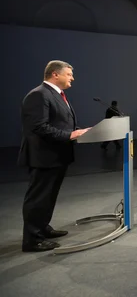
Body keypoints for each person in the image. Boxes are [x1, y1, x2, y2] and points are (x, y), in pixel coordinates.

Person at [19, 60, 90, 252]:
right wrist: (69, 135)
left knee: (49, 196)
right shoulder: (38, 95)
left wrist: (77, 131)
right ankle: (32, 240)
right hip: (43, 157)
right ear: (55, 74)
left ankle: (42, 228)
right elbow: (39, 127)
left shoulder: (56, 94)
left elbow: (59, 123)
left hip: (57, 156)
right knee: (38, 198)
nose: (72, 78)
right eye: (69, 74)